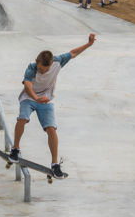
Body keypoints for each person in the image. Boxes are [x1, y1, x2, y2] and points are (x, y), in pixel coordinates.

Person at [9, 33, 96, 179]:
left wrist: (89, 44)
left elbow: (73, 53)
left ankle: (55, 164)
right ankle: (15, 149)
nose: (42, 71)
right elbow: (28, 86)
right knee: (22, 118)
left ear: (51, 64)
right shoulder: (31, 67)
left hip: (47, 99)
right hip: (29, 98)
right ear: (37, 61)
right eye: (40, 69)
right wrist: (36, 98)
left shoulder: (58, 61)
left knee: (51, 129)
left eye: (45, 70)